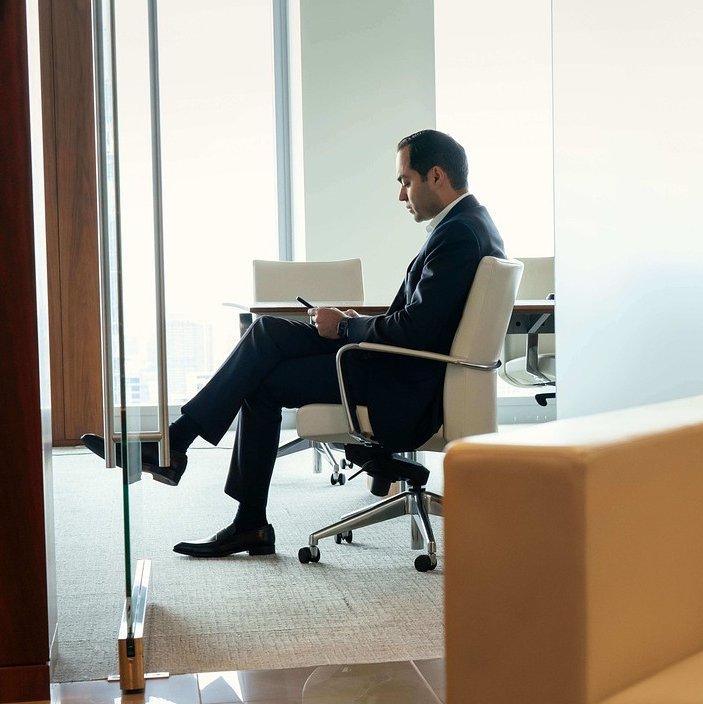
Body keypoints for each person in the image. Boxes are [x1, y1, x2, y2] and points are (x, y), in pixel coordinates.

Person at [81, 129, 506, 558]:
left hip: (399, 386)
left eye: (405, 181)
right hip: (395, 369)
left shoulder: (458, 234)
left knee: (261, 372)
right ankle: (197, 470)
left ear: (436, 176)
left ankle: (196, 470)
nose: (401, 195)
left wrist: (344, 329)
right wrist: (353, 324)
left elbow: (417, 330)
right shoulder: (468, 225)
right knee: (266, 333)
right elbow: (422, 321)